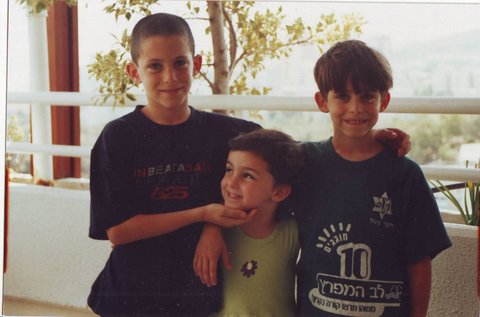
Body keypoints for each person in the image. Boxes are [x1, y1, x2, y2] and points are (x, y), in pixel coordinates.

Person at [87, 13, 261, 316]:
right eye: (155, 66)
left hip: (196, 295)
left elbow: (282, 160)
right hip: (129, 296)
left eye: (180, 62)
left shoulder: (229, 133)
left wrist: (212, 226)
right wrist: (204, 214)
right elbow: (119, 231)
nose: (170, 77)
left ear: (196, 64)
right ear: (134, 71)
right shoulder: (117, 137)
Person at [295, 40, 452, 316]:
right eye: (342, 96)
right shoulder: (304, 162)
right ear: (322, 101)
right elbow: (257, 160)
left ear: (384, 100)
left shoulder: (405, 174)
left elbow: (419, 261)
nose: (356, 108)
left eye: (367, 96)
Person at [205, 129, 304, 316]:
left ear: (279, 192)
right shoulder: (217, 233)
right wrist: (211, 227)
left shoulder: (292, 231)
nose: (231, 183)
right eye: (229, 170)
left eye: (247, 175)